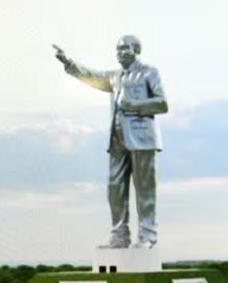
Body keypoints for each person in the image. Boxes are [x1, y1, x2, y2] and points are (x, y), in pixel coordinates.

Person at [54, 36, 168, 249]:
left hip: (142, 139)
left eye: (125, 48)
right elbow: (92, 75)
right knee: (115, 188)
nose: (120, 52)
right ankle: (119, 235)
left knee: (145, 189)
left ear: (137, 50)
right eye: (118, 49)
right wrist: (68, 63)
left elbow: (162, 104)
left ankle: (147, 235)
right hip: (117, 140)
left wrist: (133, 104)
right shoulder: (114, 77)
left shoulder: (149, 72)